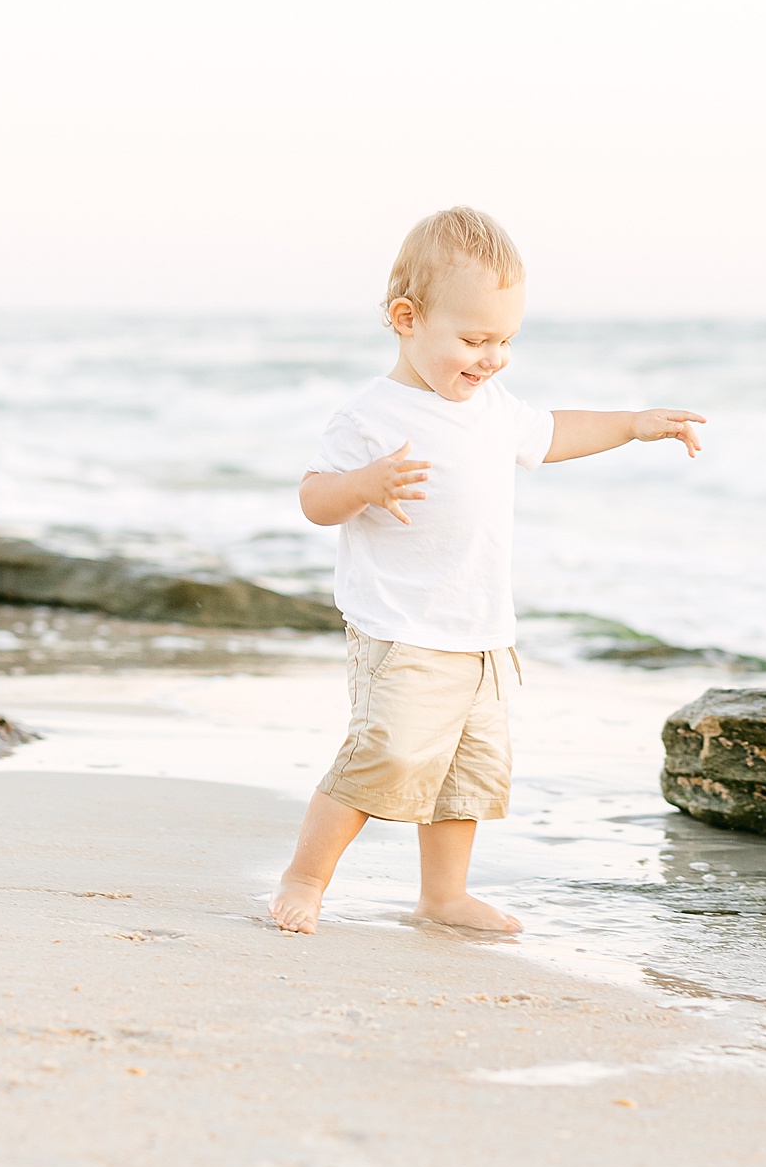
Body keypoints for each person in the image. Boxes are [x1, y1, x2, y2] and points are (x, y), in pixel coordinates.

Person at [271, 206, 703, 935]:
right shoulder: (370, 415)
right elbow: (315, 497)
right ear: (407, 318)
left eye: (505, 340)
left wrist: (632, 424)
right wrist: (366, 485)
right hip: (402, 632)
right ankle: (305, 877)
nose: (492, 356)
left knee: (463, 777)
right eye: (474, 339)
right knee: (385, 758)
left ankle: (442, 895)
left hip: (481, 635)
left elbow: (556, 431)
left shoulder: (492, 407)